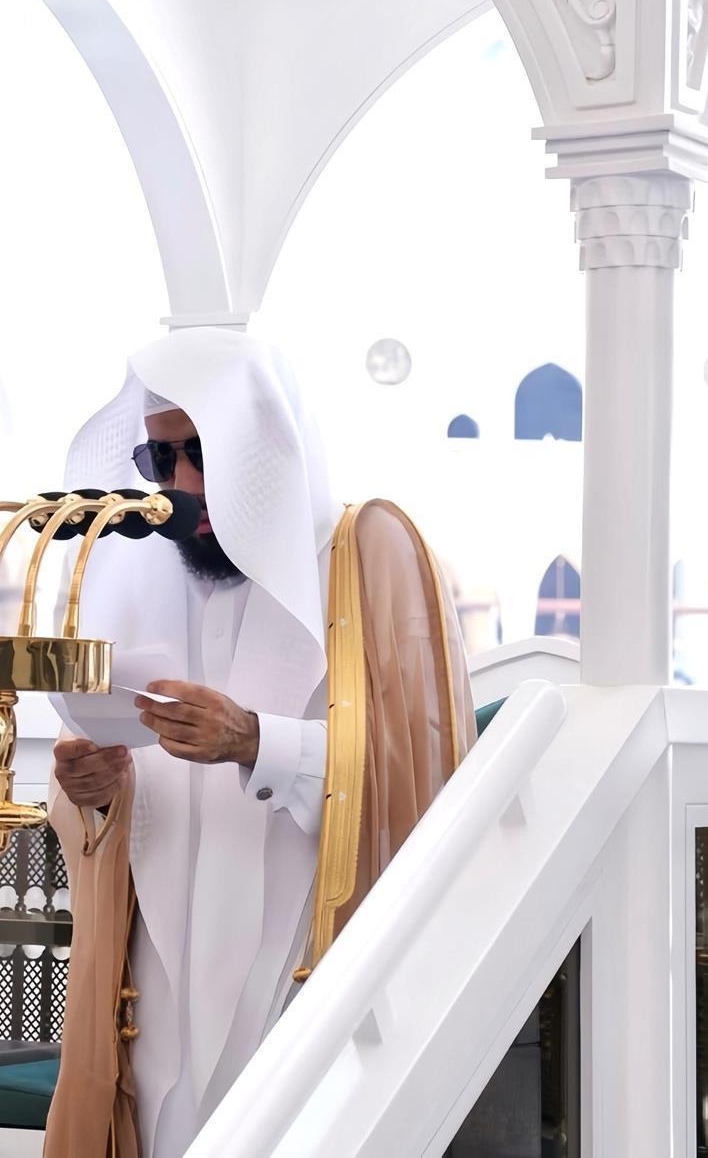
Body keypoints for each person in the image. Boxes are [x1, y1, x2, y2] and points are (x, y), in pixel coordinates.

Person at [43, 327, 475, 1158]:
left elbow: (426, 780)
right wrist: (87, 786)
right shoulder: (134, 575)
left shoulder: (369, 557)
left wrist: (256, 742)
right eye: (161, 460)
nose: (182, 487)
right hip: (156, 973)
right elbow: (82, 785)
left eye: (202, 453)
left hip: (308, 953)